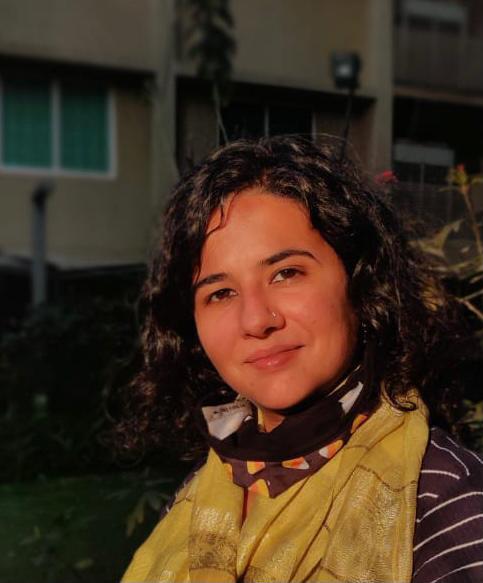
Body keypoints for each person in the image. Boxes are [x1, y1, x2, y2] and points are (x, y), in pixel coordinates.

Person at [117, 136, 483, 583]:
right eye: (221, 293)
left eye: (286, 273)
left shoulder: (443, 503)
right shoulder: (199, 494)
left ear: (360, 281)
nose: (257, 320)